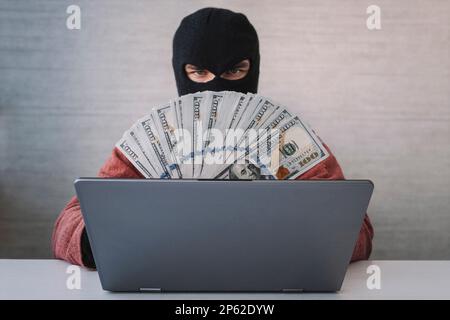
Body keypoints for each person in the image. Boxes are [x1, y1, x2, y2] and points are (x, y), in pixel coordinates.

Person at [52, 7, 374, 269]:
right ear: (182, 72)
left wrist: (303, 233)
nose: (216, 86)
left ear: (254, 69)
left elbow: (359, 230)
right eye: (199, 73)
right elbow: (69, 224)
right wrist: (101, 242)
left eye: (235, 71)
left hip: (266, 282)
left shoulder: (285, 139)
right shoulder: (152, 144)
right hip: (169, 279)